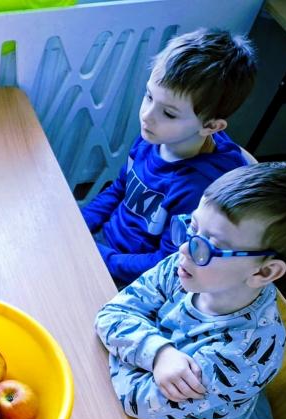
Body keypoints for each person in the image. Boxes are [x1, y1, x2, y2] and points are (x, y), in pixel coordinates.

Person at [94, 161, 286, 419]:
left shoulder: (241, 354)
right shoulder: (190, 265)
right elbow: (112, 313)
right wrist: (158, 353)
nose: (184, 248)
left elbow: (139, 401)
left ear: (264, 272)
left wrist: (128, 340)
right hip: (140, 405)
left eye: (209, 246)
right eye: (192, 227)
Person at [81, 28, 258, 285]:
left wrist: (101, 258)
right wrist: (81, 225)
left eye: (169, 113)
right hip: (104, 246)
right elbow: (120, 188)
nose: (147, 115)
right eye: (149, 96)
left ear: (210, 126)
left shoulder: (198, 189)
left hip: (133, 278)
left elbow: (166, 262)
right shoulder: (154, 136)